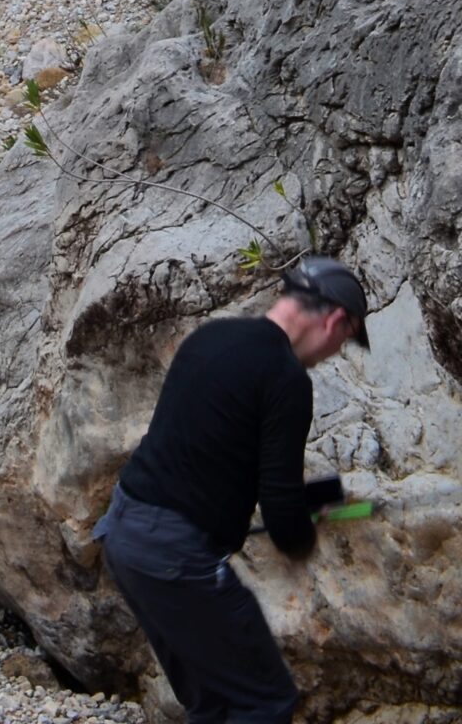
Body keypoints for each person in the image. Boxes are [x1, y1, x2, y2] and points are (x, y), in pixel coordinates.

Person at [94, 255, 372, 724]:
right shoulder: (286, 379)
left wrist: (319, 498)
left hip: (126, 538)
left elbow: (211, 461)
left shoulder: (212, 337)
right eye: (344, 341)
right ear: (336, 320)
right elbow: (281, 510)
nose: (336, 353)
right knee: (262, 701)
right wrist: (301, 536)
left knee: (216, 702)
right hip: (175, 558)